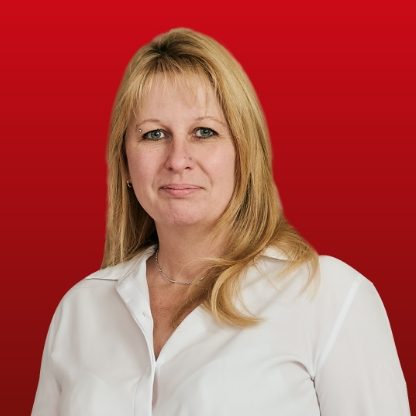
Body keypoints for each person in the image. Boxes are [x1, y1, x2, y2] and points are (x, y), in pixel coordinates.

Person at [32, 28, 410, 415]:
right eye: (154, 134)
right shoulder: (80, 309)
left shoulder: (327, 296)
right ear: (125, 163)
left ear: (244, 153)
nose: (178, 159)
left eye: (204, 132)